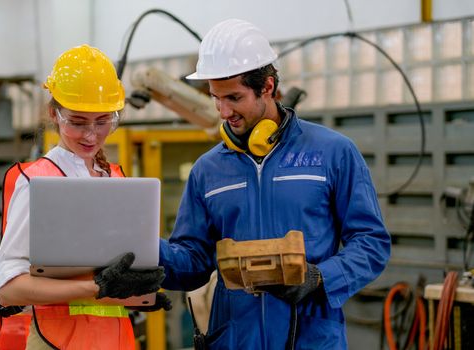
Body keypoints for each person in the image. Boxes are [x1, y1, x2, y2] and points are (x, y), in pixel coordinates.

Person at [159, 19, 391, 349]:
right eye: (216, 98)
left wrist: (321, 278)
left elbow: (371, 242)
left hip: (311, 337)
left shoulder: (332, 153)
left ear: (267, 87)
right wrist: (147, 251)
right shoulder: (207, 171)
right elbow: (193, 261)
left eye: (234, 98)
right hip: (237, 339)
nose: (224, 111)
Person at [0, 44, 170, 350]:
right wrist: (94, 287)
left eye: (103, 121)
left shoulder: (115, 179)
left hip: (116, 341)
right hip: (57, 342)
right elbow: (7, 289)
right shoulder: (37, 181)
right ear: (53, 113)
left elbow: (108, 279)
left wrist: (138, 295)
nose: (91, 134)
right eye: (77, 122)